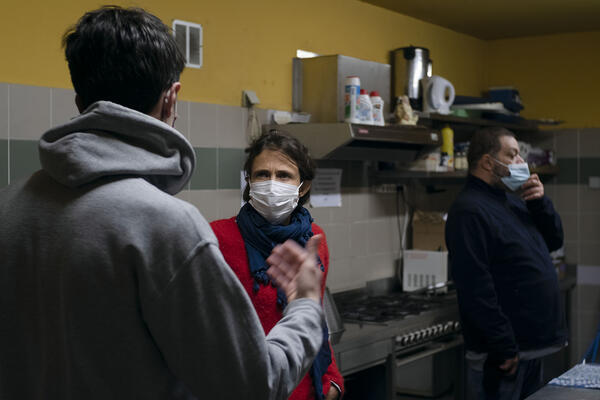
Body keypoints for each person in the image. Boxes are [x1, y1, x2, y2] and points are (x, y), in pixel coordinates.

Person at [0, 6, 327, 400]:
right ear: (172, 98)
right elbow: (252, 384)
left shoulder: (9, 205)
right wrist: (306, 304)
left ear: (80, 99)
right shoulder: (166, 224)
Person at [210, 130, 344, 400]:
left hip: (307, 390)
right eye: (262, 174)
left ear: (302, 186)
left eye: (283, 175)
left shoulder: (314, 240)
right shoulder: (217, 238)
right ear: (249, 180)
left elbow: (314, 318)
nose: (272, 184)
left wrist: (331, 381)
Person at [445, 127, 567, 399]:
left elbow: (554, 240)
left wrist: (539, 202)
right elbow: (475, 286)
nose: (521, 163)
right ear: (488, 162)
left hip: (531, 349)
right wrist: (503, 345)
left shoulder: (512, 202)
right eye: (512, 155)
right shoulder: (469, 210)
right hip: (505, 356)